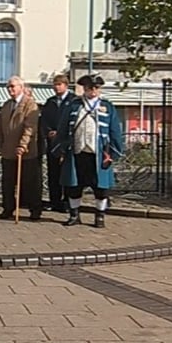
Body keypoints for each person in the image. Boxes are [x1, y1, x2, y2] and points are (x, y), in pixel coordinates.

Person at [54, 74, 123, 229]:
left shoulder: (107, 106)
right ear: (84, 89)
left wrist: (114, 152)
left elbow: (115, 131)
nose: (93, 90)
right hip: (77, 152)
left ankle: (99, 215)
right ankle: (74, 214)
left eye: (96, 88)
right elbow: (63, 128)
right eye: (89, 87)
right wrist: (61, 147)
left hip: (98, 154)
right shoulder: (74, 105)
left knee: (101, 187)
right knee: (74, 185)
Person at [0, 76, 42, 221]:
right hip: (8, 150)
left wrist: (23, 144)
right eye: (8, 87)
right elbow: (1, 127)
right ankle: (8, 208)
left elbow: (30, 127)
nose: (10, 89)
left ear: (21, 87)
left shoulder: (30, 104)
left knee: (29, 182)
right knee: (8, 182)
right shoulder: (6, 105)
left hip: (25, 152)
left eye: (13, 86)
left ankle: (34, 209)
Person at [39, 74, 75, 214]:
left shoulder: (73, 101)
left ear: (66, 85)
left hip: (66, 142)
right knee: (53, 173)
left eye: (59, 84)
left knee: (66, 173)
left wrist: (61, 133)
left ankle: (67, 202)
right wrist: (49, 131)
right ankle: (55, 201)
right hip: (52, 143)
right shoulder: (50, 102)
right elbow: (44, 120)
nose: (56, 87)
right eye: (54, 84)